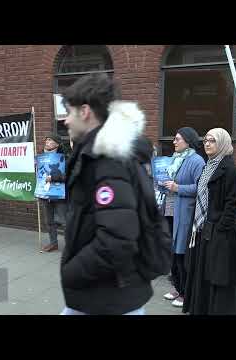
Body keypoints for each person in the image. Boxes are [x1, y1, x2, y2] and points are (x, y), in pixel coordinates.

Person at [59, 73, 153, 315]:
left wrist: (71, 272)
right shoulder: (97, 153)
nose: (65, 121)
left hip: (110, 295)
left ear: (85, 111)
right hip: (102, 291)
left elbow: (117, 239)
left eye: (69, 112)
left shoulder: (107, 159)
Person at [183, 128, 236, 315]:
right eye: (205, 140)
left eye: (212, 140)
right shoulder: (207, 166)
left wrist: (219, 229)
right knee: (202, 274)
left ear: (222, 143)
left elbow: (232, 205)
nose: (207, 144)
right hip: (202, 230)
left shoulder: (230, 170)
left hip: (221, 236)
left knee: (218, 276)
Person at [162, 127, 205, 307]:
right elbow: (171, 182)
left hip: (184, 214)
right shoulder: (175, 159)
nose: (174, 142)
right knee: (173, 253)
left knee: (182, 255)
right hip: (170, 211)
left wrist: (177, 188)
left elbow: (199, 188)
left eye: (177, 139)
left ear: (188, 140)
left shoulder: (196, 161)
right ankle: (178, 287)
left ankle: (186, 293)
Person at [40, 133, 68, 252]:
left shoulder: (64, 158)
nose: (47, 142)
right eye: (46, 140)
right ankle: (53, 243)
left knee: (64, 221)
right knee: (49, 221)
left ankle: (71, 245)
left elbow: (68, 176)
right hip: (45, 193)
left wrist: (53, 178)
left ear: (57, 143)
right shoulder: (41, 157)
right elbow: (39, 175)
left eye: (50, 140)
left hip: (59, 194)